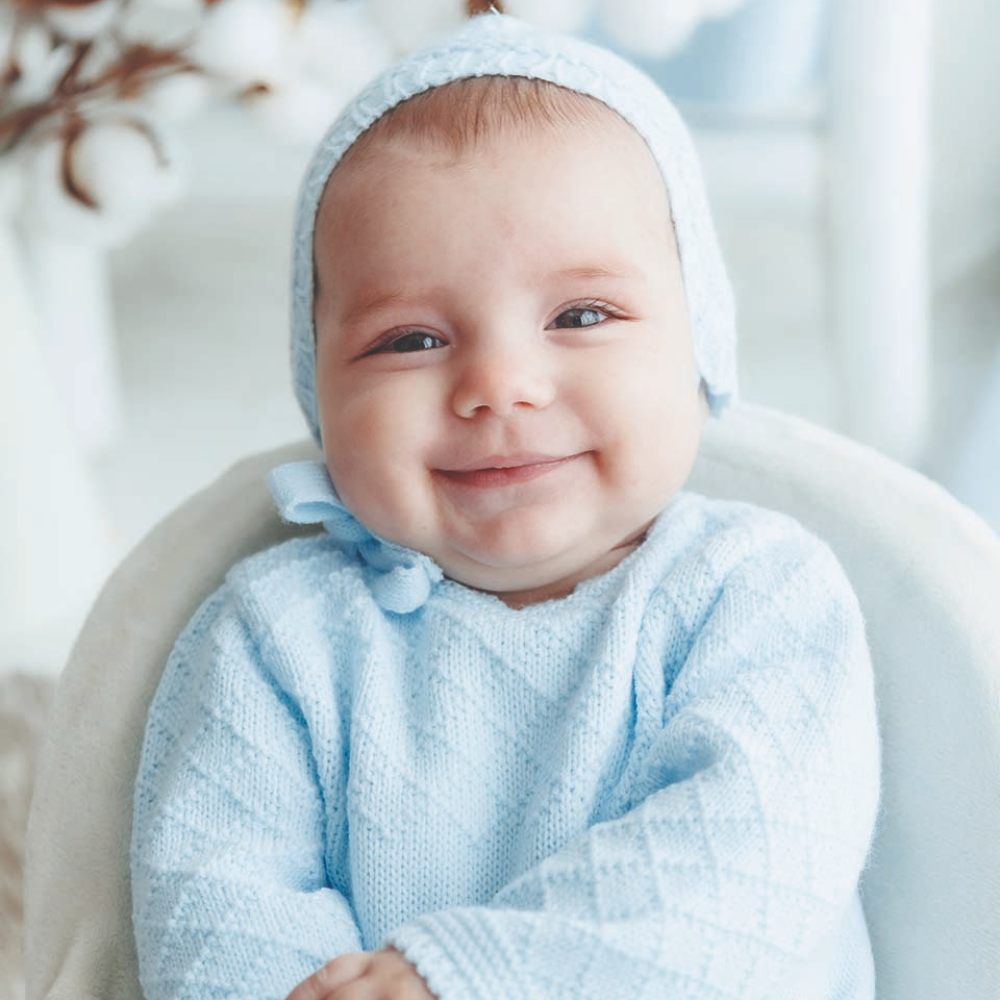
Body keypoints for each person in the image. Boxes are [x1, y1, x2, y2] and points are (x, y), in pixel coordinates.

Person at [129, 10, 882, 1000]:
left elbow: (749, 859)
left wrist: (466, 977)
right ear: (321, 391)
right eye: (410, 339)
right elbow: (208, 894)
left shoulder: (755, 591)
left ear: (698, 344)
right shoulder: (275, 635)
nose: (499, 384)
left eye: (580, 316)